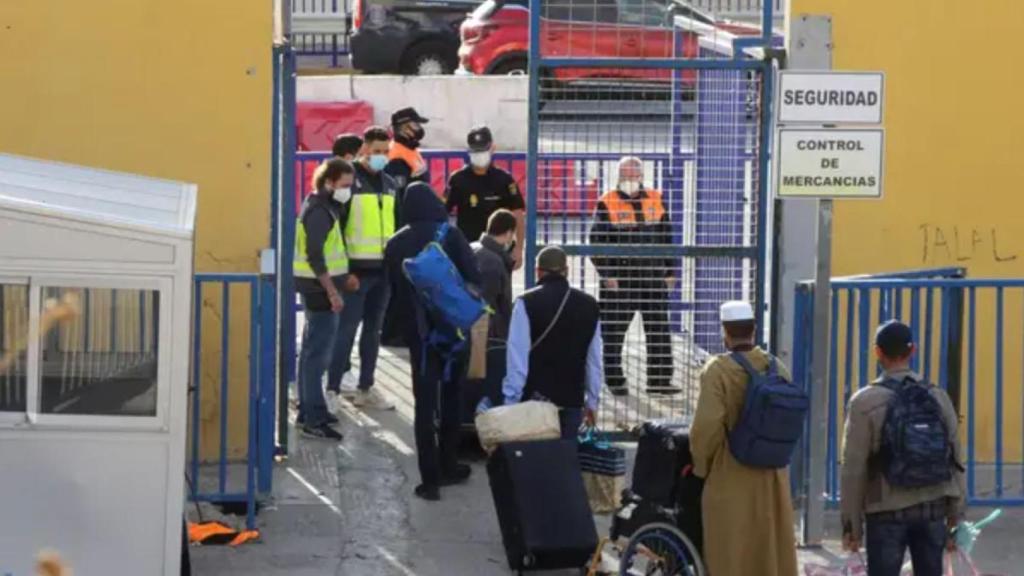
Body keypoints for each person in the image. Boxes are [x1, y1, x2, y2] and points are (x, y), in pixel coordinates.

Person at [841, 320, 965, 576]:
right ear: (913, 351)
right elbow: (956, 458)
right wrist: (956, 518)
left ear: (877, 352)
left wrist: (851, 528)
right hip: (933, 506)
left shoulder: (864, 402)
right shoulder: (937, 396)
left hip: (885, 510)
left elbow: (853, 468)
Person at [384, 182, 481, 501]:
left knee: (424, 406)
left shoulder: (397, 242)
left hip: (421, 336)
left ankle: (429, 481)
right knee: (452, 397)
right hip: (454, 333)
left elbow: (394, 293)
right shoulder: (451, 235)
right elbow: (474, 280)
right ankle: (450, 465)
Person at [690, 301, 798, 576]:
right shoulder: (777, 367)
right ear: (754, 329)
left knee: (732, 552)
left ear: (724, 332)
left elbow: (707, 427)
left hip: (732, 472)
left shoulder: (717, 370)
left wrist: (701, 468)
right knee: (769, 550)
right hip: (773, 475)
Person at [589, 156, 678, 397]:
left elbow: (667, 237)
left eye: (634, 176)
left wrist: (670, 271)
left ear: (641, 176)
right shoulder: (606, 202)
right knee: (614, 333)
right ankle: (615, 381)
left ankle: (659, 380)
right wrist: (606, 274)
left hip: (652, 276)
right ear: (618, 177)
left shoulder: (656, 199)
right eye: (625, 176)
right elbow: (596, 242)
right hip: (620, 279)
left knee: (659, 329)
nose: (630, 180)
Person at [327, 126, 399, 411]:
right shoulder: (348, 182)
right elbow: (335, 230)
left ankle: (365, 388)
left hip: (382, 273)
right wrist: (343, 272)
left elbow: (398, 225)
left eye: (385, 151)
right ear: (364, 150)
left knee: (372, 332)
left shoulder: (391, 184)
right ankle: (332, 389)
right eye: (375, 151)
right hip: (354, 274)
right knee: (345, 332)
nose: (380, 156)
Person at [502, 246, 603, 439]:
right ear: (566, 271)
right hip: (572, 398)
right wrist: (592, 402)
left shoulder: (526, 303)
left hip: (534, 399)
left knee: (535, 461)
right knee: (565, 461)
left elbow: (517, 358)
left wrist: (511, 400)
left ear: (538, 271)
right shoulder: (590, 305)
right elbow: (594, 361)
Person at [294, 158, 356, 441]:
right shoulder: (319, 211)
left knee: (311, 352)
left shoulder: (325, 205)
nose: (348, 190)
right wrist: (332, 291)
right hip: (318, 290)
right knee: (316, 356)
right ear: (329, 182)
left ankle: (309, 411)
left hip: (317, 287)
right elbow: (315, 255)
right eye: (344, 185)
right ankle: (313, 419)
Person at [445, 126, 525, 270]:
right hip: (467, 250)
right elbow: (443, 211)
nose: (479, 155)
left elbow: (518, 214)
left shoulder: (504, 179)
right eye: (476, 151)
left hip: (499, 252)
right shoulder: (457, 180)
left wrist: (519, 248)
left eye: (483, 150)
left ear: (492, 148)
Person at [385, 107, 430, 194]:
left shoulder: (410, 148)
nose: (420, 128)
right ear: (404, 128)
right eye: (416, 125)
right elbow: (401, 192)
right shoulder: (396, 157)